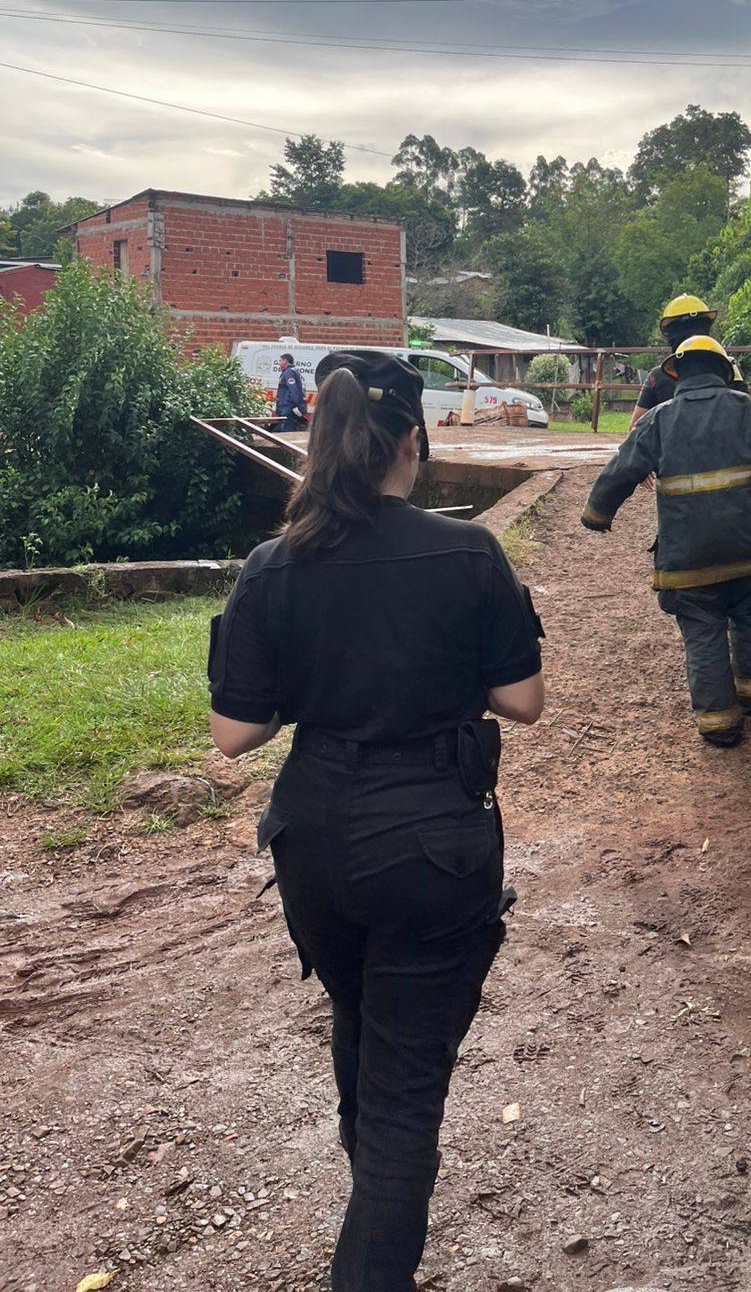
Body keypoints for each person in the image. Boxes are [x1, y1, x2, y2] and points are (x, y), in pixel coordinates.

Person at [207, 349, 545, 1292]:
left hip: (313, 839)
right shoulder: (467, 552)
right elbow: (522, 702)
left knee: (359, 1018)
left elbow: (234, 732)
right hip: (432, 843)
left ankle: (373, 1215)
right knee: (405, 1106)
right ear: (411, 440)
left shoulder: (275, 564)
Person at [582, 336, 751, 747]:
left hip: (689, 563)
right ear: (722, 371)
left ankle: (720, 725)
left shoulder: (660, 419)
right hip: (750, 555)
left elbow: (621, 470)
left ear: (678, 374)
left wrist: (597, 515)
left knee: (703, 631)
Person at [629, 295, 747, 427]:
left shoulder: (658, 375)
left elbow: (635, 430)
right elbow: (745, 417)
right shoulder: (728, 367)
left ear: (669, 332)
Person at [273, 351, 309, 431]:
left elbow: (294, 390)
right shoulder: (292, 371)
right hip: (286, 408)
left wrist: (295, 406)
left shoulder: (289, 372)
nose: (279, 363)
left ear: (285, 361)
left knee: (287, 432)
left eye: (280, 360)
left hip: (288, 408)